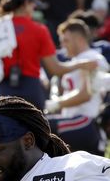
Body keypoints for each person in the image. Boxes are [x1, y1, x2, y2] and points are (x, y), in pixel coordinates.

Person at [0, 0, 96, 110]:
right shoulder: (39, 30)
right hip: (31, 92)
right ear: (26, 3)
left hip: (2, 93)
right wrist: (82, 64)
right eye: (33, 4)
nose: (34, 7)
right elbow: (55, 69)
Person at [45, 19, 109, 156]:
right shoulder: (77, 61)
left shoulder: (92, 59)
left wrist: (55, 104)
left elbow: (86, 94)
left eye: (66, 41)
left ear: (79, 40)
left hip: (86, 121)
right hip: (75, 121)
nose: (62, 46)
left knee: (43, 126)